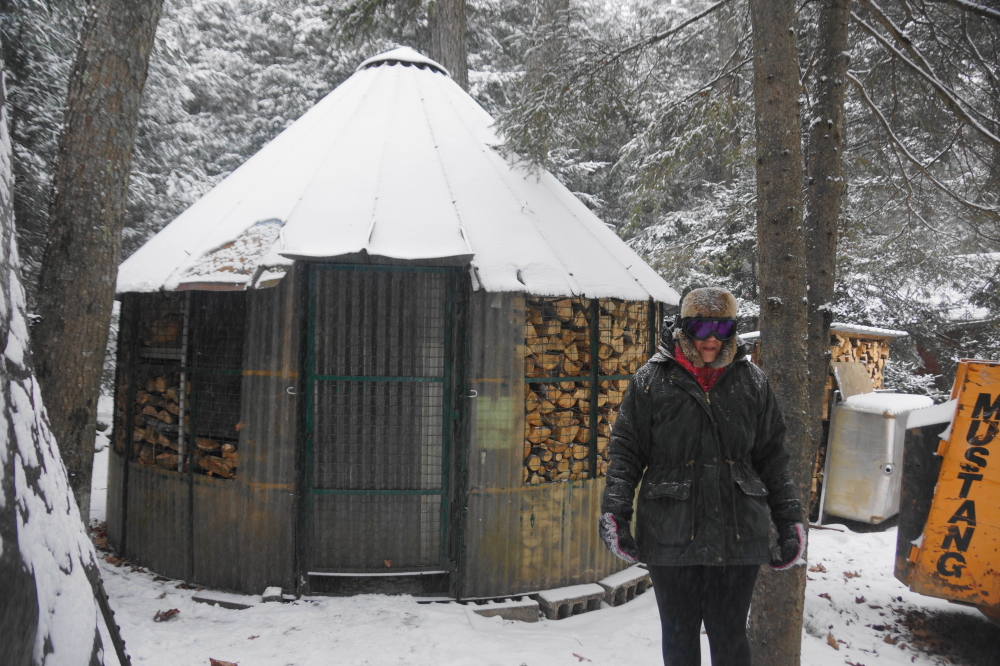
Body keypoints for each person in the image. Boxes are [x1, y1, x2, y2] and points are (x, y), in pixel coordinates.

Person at [598, 286, 804, 666]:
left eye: (723, 328)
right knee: (679, 637)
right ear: (683, 327)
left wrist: (789, 519)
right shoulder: (651, 380)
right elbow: (626, 451)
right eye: (701, 327)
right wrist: (615, 511)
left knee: (730, 637)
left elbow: (773, 457)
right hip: (670, 531)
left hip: (737, 532)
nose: (712, 339)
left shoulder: (753, 382)